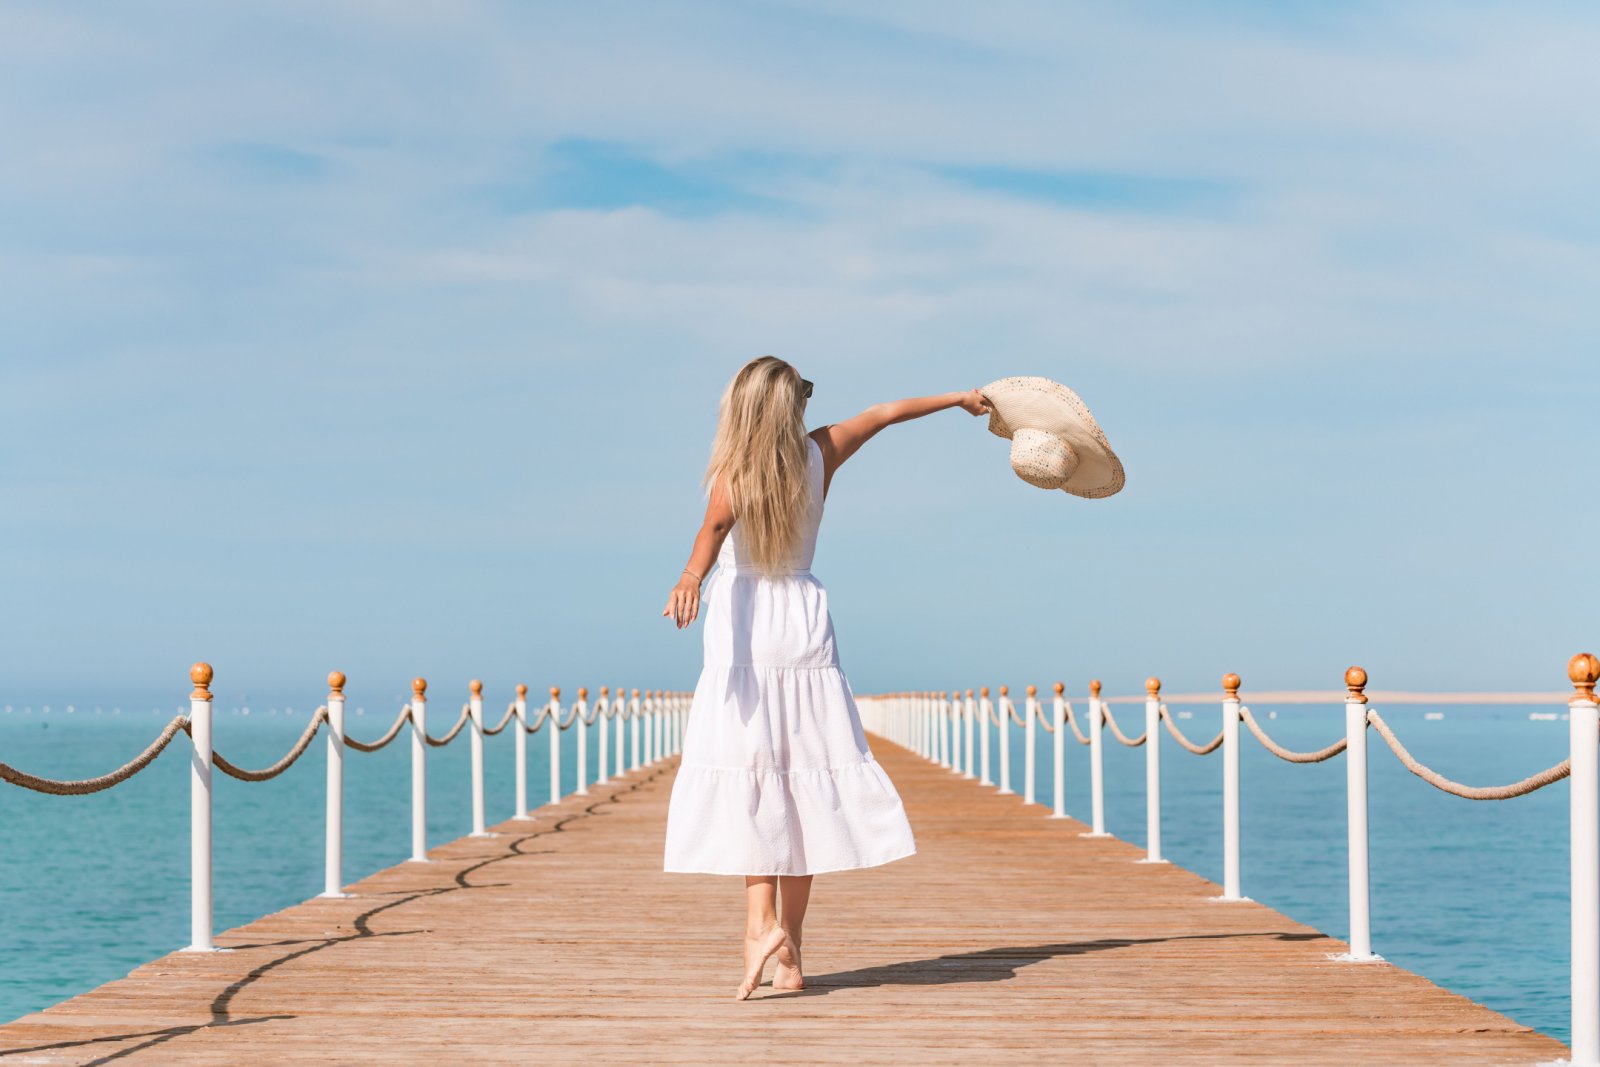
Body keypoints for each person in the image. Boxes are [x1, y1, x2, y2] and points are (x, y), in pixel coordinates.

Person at [661, 355, 990, 1000]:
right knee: (803, 780)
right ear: (791, 408)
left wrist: (690, 578)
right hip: (803, 619)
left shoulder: (735, 471)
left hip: (746, 624)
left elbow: (714, 528)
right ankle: (792, 953)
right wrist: (960, 398)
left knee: (756, 777)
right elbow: (885, 414)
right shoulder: (819, 453)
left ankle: (760, 930)